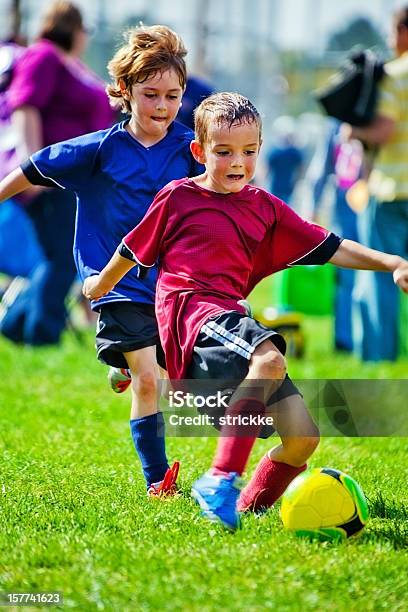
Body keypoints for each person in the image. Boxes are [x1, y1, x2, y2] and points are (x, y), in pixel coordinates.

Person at [84, 92, 407, 532]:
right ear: (199, 152)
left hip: (229, 315)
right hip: (193, 313)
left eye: (249, 151)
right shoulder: (177, 197)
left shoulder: (264, 207)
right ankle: (220, 479)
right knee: (270, 358)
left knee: (302, 439)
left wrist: (392, 262)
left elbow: (330, 245)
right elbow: (132, 247)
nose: (238, 162)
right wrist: (100, 285)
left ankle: (240, 511)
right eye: (224, 152)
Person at [0, 25, 203, 495]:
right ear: (126, 92)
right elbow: (33, 168)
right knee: (150, 382)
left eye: (173, 96)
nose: (162, 107)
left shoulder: (190, 149)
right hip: (114, 284)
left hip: (173, 284)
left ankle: (125, 365)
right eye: (150, 94)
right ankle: (159, 482)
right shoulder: (99, 150)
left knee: (176, 375)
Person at [0, 0, 114, 346]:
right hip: (50, 176)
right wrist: (33, 167)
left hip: (73, 178)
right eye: (85, 31)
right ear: (73, 28)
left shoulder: (72, 66)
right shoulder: (43, 56)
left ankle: (16, 325)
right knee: (63, 257)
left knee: (59, 256)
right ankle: (42, 336)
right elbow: (26, 106)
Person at [343, 6, 408, 361]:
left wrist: (352, 130)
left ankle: (380, 357)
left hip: (393, 190)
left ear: (403, 30)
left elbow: (384, 129)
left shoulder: (395, 74)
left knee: (384, 273)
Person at [311, 119, 363, 351]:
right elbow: (322, 167)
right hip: (344, 207)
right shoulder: (335, 124)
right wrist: (312, 207)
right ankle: (346, 339)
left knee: (367, 275)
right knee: (346, 274)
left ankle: (365, 340)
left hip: (365, 203)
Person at [265, 116, 304, 205]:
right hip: (281, 187)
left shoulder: (275, 150)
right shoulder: (293, 151)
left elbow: (266, 170)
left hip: (279, 187)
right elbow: (300, 169)